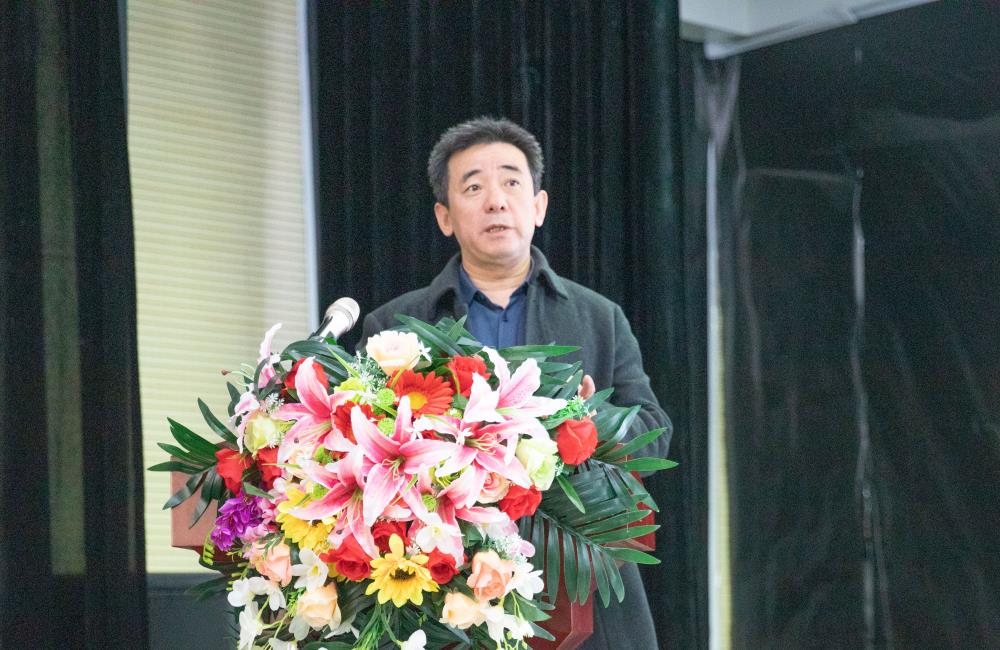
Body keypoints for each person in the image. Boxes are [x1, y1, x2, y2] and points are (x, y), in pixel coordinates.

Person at [360, 116, 671, 649]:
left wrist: (589, 421)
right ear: (444, 217)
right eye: (473, 187)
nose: (496, 201)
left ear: (539, 206)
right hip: (443, 595)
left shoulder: (599, 318)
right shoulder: (395, 328)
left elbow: (654, 433)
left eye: (511, 182)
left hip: (577, 591)